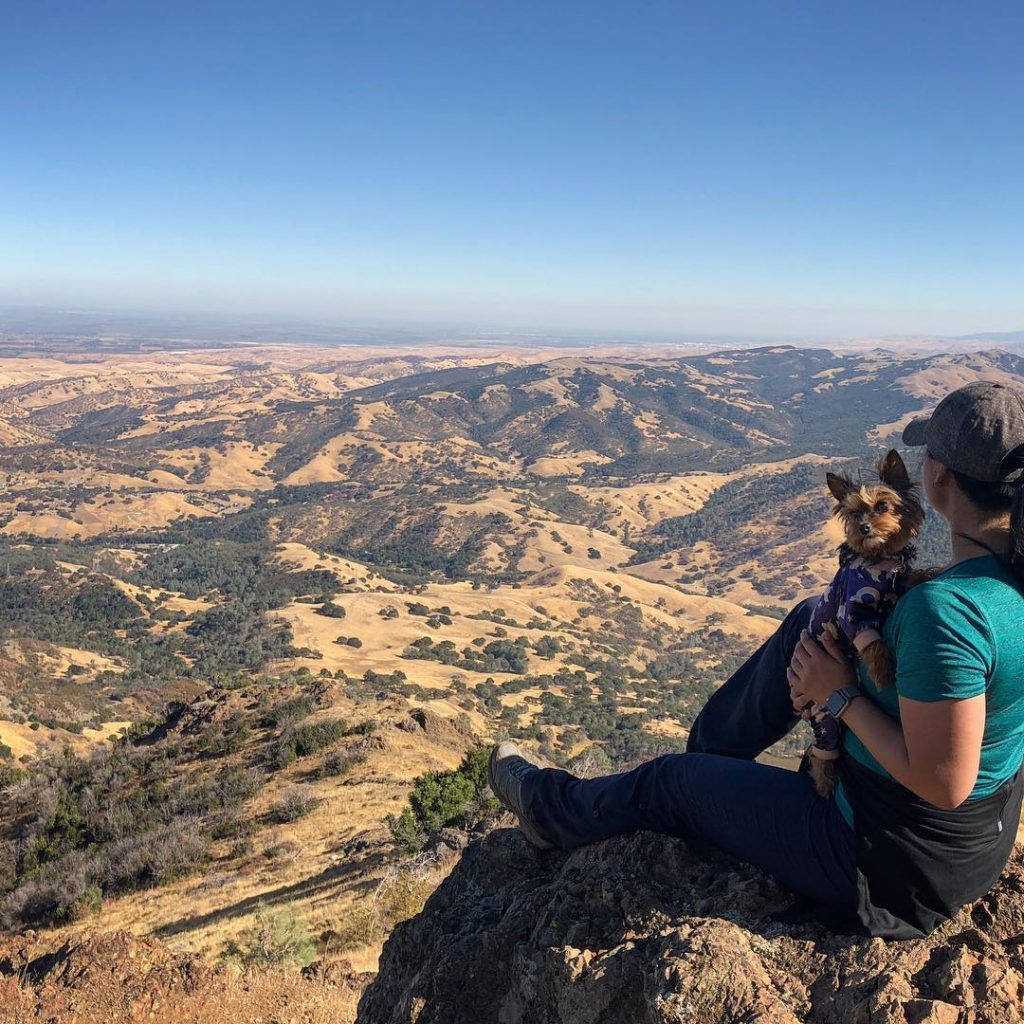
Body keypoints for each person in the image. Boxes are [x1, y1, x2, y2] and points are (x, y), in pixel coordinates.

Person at [488, 380, 1024, 938]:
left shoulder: (948, 610)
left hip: (883, 856)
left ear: (938, 477)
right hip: (966, 839)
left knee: (667, 781)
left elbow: (944, 782)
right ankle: (710, 771)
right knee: (810, 616)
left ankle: (550, 809)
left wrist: (837, 695)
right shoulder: (1005, 575)